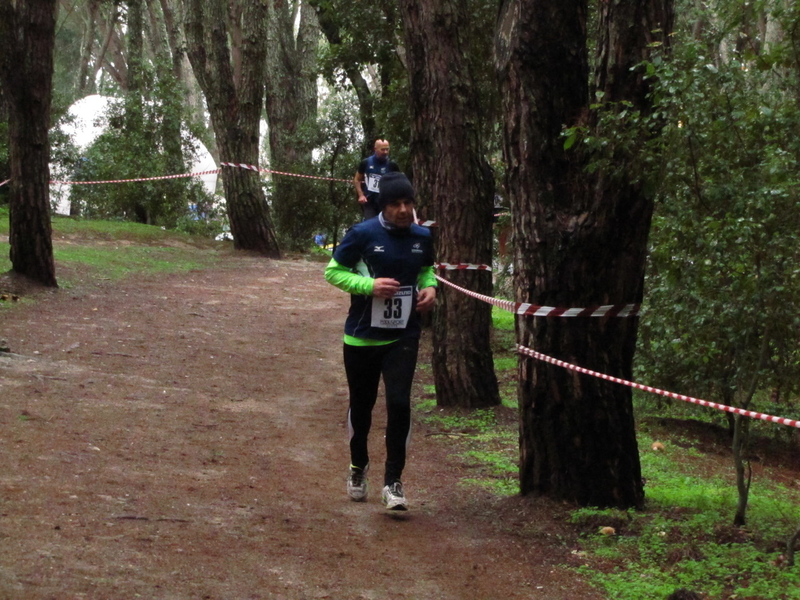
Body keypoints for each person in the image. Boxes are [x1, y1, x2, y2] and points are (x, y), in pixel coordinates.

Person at [325, 172, 437, 511]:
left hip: (403, 335)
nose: (404, 210)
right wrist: (368, 287)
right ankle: (358, 467)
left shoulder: (422, 235)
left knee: (400, 404)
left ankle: (393, 481)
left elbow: (426, 270)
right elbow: (333, 271)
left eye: (408, 203)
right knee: (363, 407)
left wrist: (431, 287)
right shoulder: (362, 233)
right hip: (361, 337)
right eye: (395, 204)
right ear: (382, 206)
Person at [353, 139, 400, 220]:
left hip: (386, 202)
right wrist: (361, 195)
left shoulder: (392, 165)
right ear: (375, 149)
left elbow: (399, 182)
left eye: (387, 149)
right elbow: (357, 180)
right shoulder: (366, 162)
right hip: (370, 201)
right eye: (382, 149)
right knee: (370, 225)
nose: (385, 152)